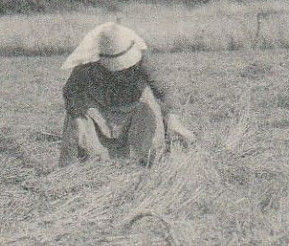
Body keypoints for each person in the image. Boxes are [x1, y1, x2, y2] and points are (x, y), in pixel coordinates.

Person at [58, 21, 196, 165]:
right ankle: (80, 167)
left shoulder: (142, 58)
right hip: (97, 109)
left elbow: (163, 90)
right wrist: (78, 122)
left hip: (134, 106)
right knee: (76, 125)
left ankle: (146, 162)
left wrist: (173, 120)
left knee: (150, 114)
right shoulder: (88, 61)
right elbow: (71, 91)